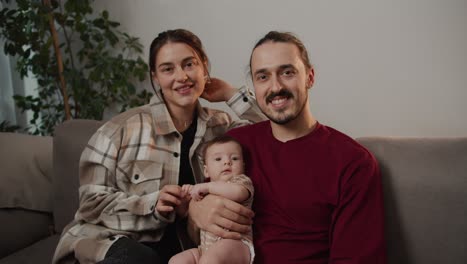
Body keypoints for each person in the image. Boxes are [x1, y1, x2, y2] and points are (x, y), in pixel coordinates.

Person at [52, 29, 265, 264]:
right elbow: (91, 205)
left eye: (189, 64)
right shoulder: (119, 130)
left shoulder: (222, 128)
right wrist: (153, 205)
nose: (182, 76)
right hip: (112, 244)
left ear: (204, 67)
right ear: (155, 77)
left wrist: (230, 94)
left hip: (183, 252)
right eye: (168, 69)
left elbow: (274, 134)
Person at [188, 31, 387, 263]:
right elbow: (202, 220)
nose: (276, 87)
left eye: (287, 72)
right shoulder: (235, 146)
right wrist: (195, 211)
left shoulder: (353, 162)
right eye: (263, 77)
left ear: (310, 77)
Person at [169, 135, 254, 264]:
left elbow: (237, 193)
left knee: (211, 259)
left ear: (243, 166)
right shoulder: (204, 192)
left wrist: (206, 187)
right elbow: (195, 222)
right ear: (206, 171)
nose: (227, 162)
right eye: (218, 159)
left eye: (235, 158)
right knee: (176, 260)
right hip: (205, 248)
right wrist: (188, 197)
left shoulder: (241, 182)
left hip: (236, 244)